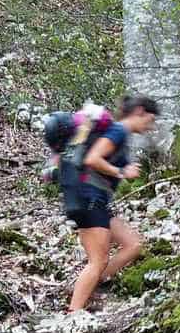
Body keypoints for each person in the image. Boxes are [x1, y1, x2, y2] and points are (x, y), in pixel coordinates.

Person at [64, 95, 157, 313]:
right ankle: (73, 314)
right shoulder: (118, 131)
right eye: (150, 119)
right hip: (88, 198)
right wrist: (122, 171)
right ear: (140, 111)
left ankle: (89, 285)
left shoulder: (121, 135)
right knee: (98, 260)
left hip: (96, 200)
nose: (151, 126)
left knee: (133, 244)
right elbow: (92, 159)